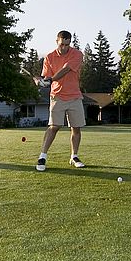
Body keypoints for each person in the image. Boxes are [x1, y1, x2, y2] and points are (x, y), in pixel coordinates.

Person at [36, 30, 86, 171]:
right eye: (62, 44)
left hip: (75, 96)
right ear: (57, 41)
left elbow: (66, 69)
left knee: (76, 128)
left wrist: (51, 79)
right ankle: (42, 156)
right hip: (57, 96)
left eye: (67, 44)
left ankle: (74, 156)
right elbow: (46, 77)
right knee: (54, 126)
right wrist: (40, 81)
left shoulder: (77, 54)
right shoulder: (49, 57)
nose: (64, 47)